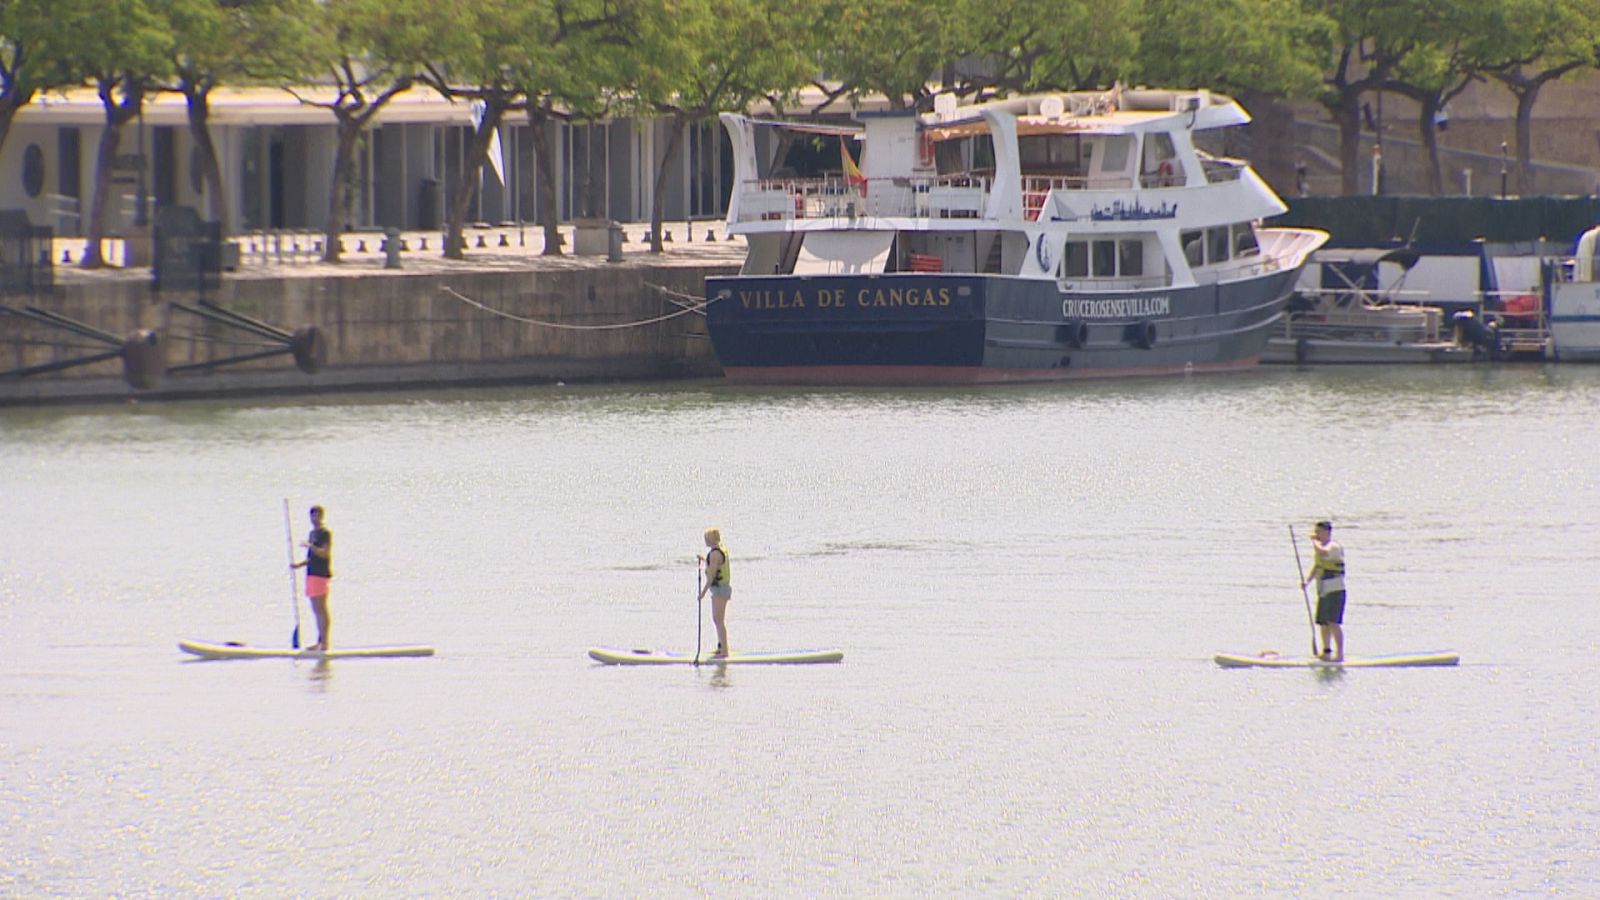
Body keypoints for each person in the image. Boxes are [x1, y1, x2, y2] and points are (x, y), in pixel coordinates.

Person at [1301, 520, 1345, 661]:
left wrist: (1314, 541)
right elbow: (1318, 567)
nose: (1316, 535)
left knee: (1333, 623)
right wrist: (1307, 581)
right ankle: (1326, 652)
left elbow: (1322, 552)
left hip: (1335, 590)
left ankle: (1340, 654)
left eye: (1318, 532)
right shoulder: (1320, 548)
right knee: (1323, 623)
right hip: (1323, 591)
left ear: (1327, 532)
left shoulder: (1333, 546)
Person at [291, 505, 333, 651]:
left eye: (317, 516)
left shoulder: (325, 533)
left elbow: (325, 553)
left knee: (321, 609)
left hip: (320, 574)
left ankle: (325, 643)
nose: (315, 519)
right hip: (311, 574)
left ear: (321, 517)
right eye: (312, 516)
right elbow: (312, 558)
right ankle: (319, 641)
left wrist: (311, 546)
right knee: (315, 609)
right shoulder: (312, 533)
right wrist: (298, 565)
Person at [696, 528, 731, 658]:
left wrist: (702, 593)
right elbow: (714, 565)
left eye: (706, 538)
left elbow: (711, 577)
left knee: (718, 620)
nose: (705, 541)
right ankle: (721, 647)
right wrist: (705, 560)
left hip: (720, 589)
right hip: (721, 589)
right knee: (717, 620)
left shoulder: (715, 554)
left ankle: (724, 651)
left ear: (711, 540)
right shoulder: (718, 551)